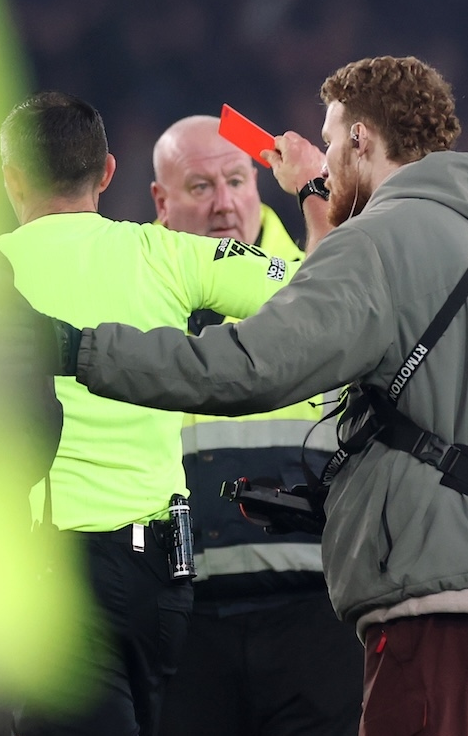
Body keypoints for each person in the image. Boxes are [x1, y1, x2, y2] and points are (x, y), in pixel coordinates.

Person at [56, 56, 468, 736]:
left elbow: (256, 364)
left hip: (424, 582)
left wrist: (78, 351)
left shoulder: (381, 242)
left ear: (358, 141)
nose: (315, 161)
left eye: (326, 141)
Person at [0, 92, 301, 736]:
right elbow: (306, 290)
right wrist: (321, 193)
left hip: (47, 567)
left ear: (11, 178)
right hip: (162, 580)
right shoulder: (170, 256)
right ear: (107, 172)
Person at [149, 116, 363, 736]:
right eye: (199, 186)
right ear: (161, 202)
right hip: (183, 615)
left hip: (316, 613)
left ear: (260, 184)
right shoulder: (136, 296)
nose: (223, 204)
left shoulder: (320, 277)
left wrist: (321, 203)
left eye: (237, 179)